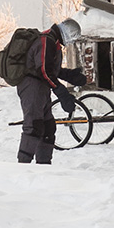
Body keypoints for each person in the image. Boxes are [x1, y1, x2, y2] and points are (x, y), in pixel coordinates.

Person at [17, 18, 86, 165]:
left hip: (42, 87)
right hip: (31, 86)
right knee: (34, 126)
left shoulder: (53, 42)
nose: (71, 42)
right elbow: (44, 71)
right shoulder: (46, 41)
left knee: (48, 127)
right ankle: (23, 166)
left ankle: (44, 165)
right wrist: (61, 92)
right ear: (67, 34)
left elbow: (52, 69)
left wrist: (70, 75)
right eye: (72, 38)